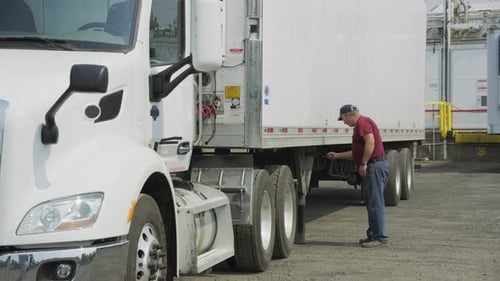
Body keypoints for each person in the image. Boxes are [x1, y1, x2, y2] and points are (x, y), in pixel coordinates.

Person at [326, 104, 390, 248]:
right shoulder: (361, 125)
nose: (344, 123)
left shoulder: (362, 123)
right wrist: (337, 155)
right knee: (371, 202)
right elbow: (356, 153)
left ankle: (380, 238)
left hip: (374, 166)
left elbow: (370, 142)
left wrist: (364, 163)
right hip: (374, 165)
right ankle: (373, 235)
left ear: (349, 115)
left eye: (343, 119)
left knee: (375, 203)